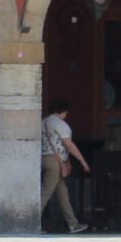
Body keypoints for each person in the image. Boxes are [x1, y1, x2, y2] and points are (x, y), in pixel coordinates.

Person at [39, 98, 90, 235]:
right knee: (47, 191)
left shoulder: (44, 122)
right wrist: (82, 161)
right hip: (55, 161)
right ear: (64, 111)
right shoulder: (60, 124)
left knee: (62, 193)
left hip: (44, 158)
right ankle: (31, 221)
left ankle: (73, 223)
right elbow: (69, 145)